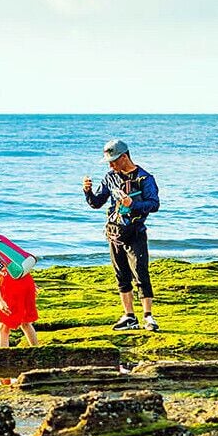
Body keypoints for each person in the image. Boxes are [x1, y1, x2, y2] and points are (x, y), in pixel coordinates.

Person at [84, 139, 161, 332]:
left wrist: (132, 204)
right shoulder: (110, 178)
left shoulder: (145, 178)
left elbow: (154, 204)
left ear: (124, 157)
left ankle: (148, 316)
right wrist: (87, 191)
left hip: (136, 232)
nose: (111, 165)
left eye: (113, 161)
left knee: (141, 273)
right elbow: (96, 203)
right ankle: (129, 316)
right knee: (121, 276)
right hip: (114, 232)